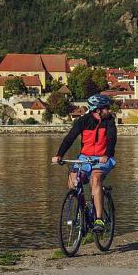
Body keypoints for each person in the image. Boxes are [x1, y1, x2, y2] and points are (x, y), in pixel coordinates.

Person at [51, 94, 117, 233]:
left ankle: (99, 219)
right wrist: (59, 155)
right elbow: (70, 138)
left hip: (102, 158)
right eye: (106, 108)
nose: (109, 110)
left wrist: (106, 154)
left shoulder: (109, 121)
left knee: (95, 178)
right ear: (97, 110)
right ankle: (81, 210)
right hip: (84, 158)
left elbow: (112, 139)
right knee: (73, 180)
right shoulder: (83, 121)